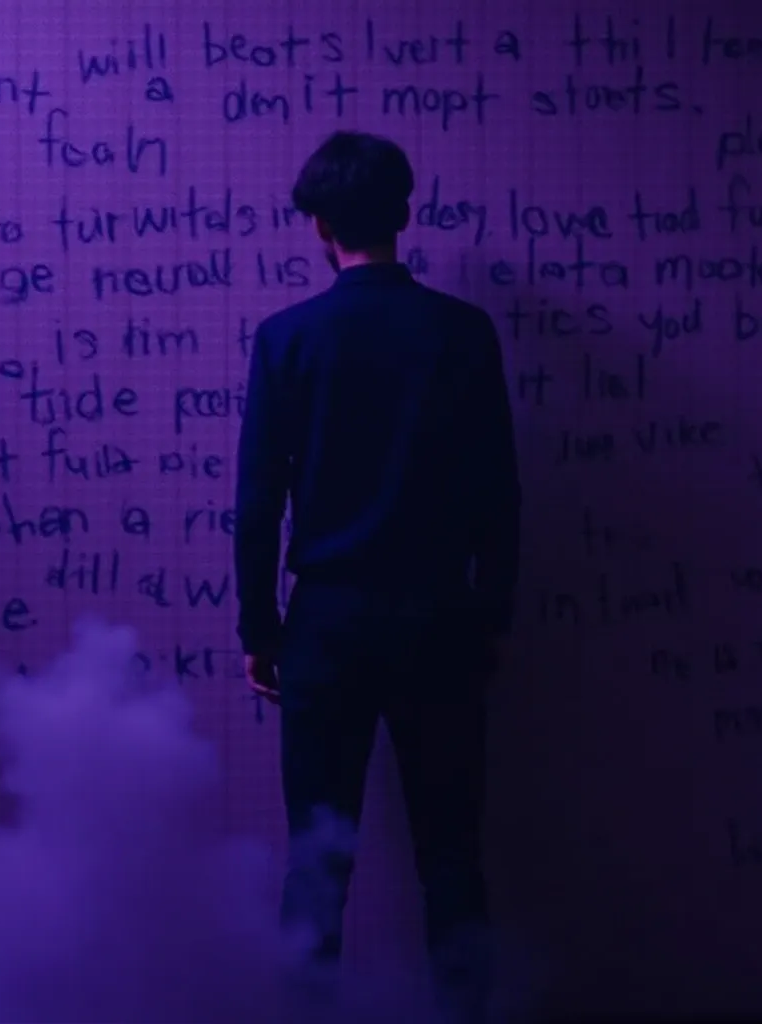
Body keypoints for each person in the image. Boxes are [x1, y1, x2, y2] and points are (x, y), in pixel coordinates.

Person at [232, 130, 522, 1020]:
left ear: (320, 226)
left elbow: (257, 503)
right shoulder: (462, 333)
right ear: (404, 213)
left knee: (319, 861)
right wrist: (489, 620)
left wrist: (261, 630)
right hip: (438, 617)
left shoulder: (287, 339)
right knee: (452, 856)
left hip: (327, 623)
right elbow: (499, 494)